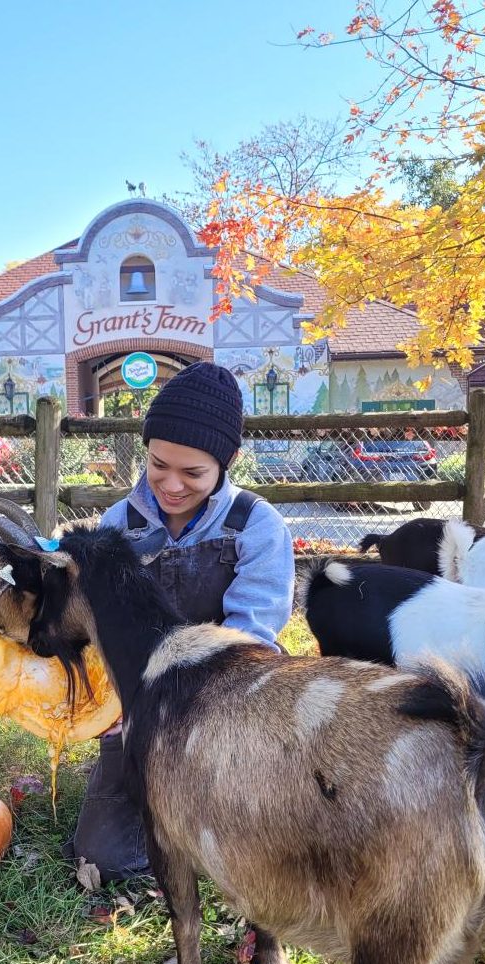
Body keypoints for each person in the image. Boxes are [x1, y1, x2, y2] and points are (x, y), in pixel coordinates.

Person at [70, 361, 296, 880]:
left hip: (228, 707)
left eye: (192, 473)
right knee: (104, 859)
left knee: (257, 841)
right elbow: (100, 630)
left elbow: (252, 641)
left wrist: (188, 714)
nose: (171, 485)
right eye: (158, 465)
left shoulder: (256, 526)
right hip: (138, 715)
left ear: (228, 461)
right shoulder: (116, 526)